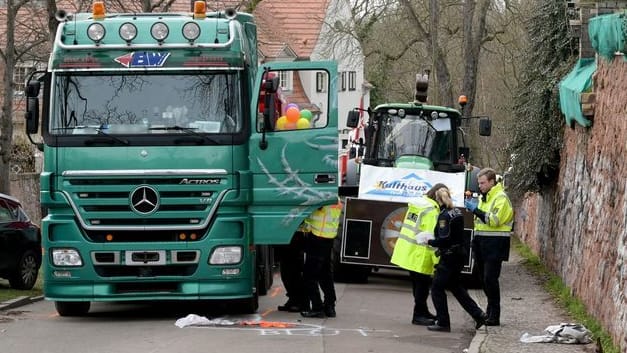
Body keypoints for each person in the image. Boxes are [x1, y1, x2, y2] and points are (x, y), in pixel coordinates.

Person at [426, 187, 487, 332]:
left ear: (438, 200)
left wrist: (429, 242)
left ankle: (443, 322)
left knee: (436, 288)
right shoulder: (457, 212)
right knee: (457, 288)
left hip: (449, 257)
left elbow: (444, 238)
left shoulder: (444, 215)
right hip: (460, 255)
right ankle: (478, 315)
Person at [390, 183, 447, 326]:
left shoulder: (419, 205)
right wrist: (438, 261)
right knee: (422, 286)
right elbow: (430, 239)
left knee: (418, 284)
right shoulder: (432, 211)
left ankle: (423, 311)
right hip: (419, 254)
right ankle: (418, 315)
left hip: (409, 251)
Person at [464, 167, 514, 326]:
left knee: (490, 279)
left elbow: (494, 220)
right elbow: (480, 222)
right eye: (479, 183)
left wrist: (476, 210)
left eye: (483, 183)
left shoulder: (501, 198)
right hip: (481, 242)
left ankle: (495, 315)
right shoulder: (485, 197)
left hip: (496, 243)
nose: (480, 186)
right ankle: (490, 311)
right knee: (483, 280)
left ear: (492, 182)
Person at [300, 202, 342, 318]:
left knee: (309, 276)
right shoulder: (335, 199)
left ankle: (317, 307)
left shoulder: (323, 198)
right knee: (325, 274)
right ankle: (330, 306)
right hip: (328, 237)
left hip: (317, 237)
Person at [276, 230, 309, 312]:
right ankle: (293, 299)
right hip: (283, 237)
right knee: (286, 273)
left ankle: (300, 302)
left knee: (294, 273)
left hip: (295, 238)